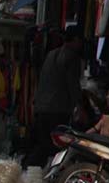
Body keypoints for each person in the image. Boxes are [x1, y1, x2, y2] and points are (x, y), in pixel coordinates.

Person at [27, 25, 83, 167]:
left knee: (43, 144)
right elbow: (73, 85)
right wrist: (81, 108)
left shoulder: (51, 54)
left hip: (41, 107)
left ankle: (29, 171)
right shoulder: (72, 57)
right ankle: (36, 173)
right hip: (57, 109)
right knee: (55, 146)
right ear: (76, 40)